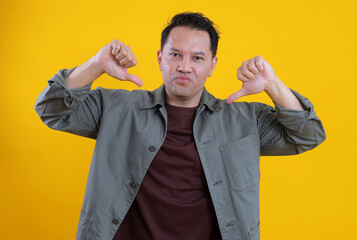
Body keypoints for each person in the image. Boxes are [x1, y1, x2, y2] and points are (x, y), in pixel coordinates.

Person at [35, 12, 326, 240]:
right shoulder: (115, 108)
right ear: (160, 58)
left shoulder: (244, 120)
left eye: (197, 58)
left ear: (212, 65)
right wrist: (96, 64)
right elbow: (52, 109)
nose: (185, 66)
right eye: (176, 55)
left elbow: (309, 135)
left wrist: (272, 85)